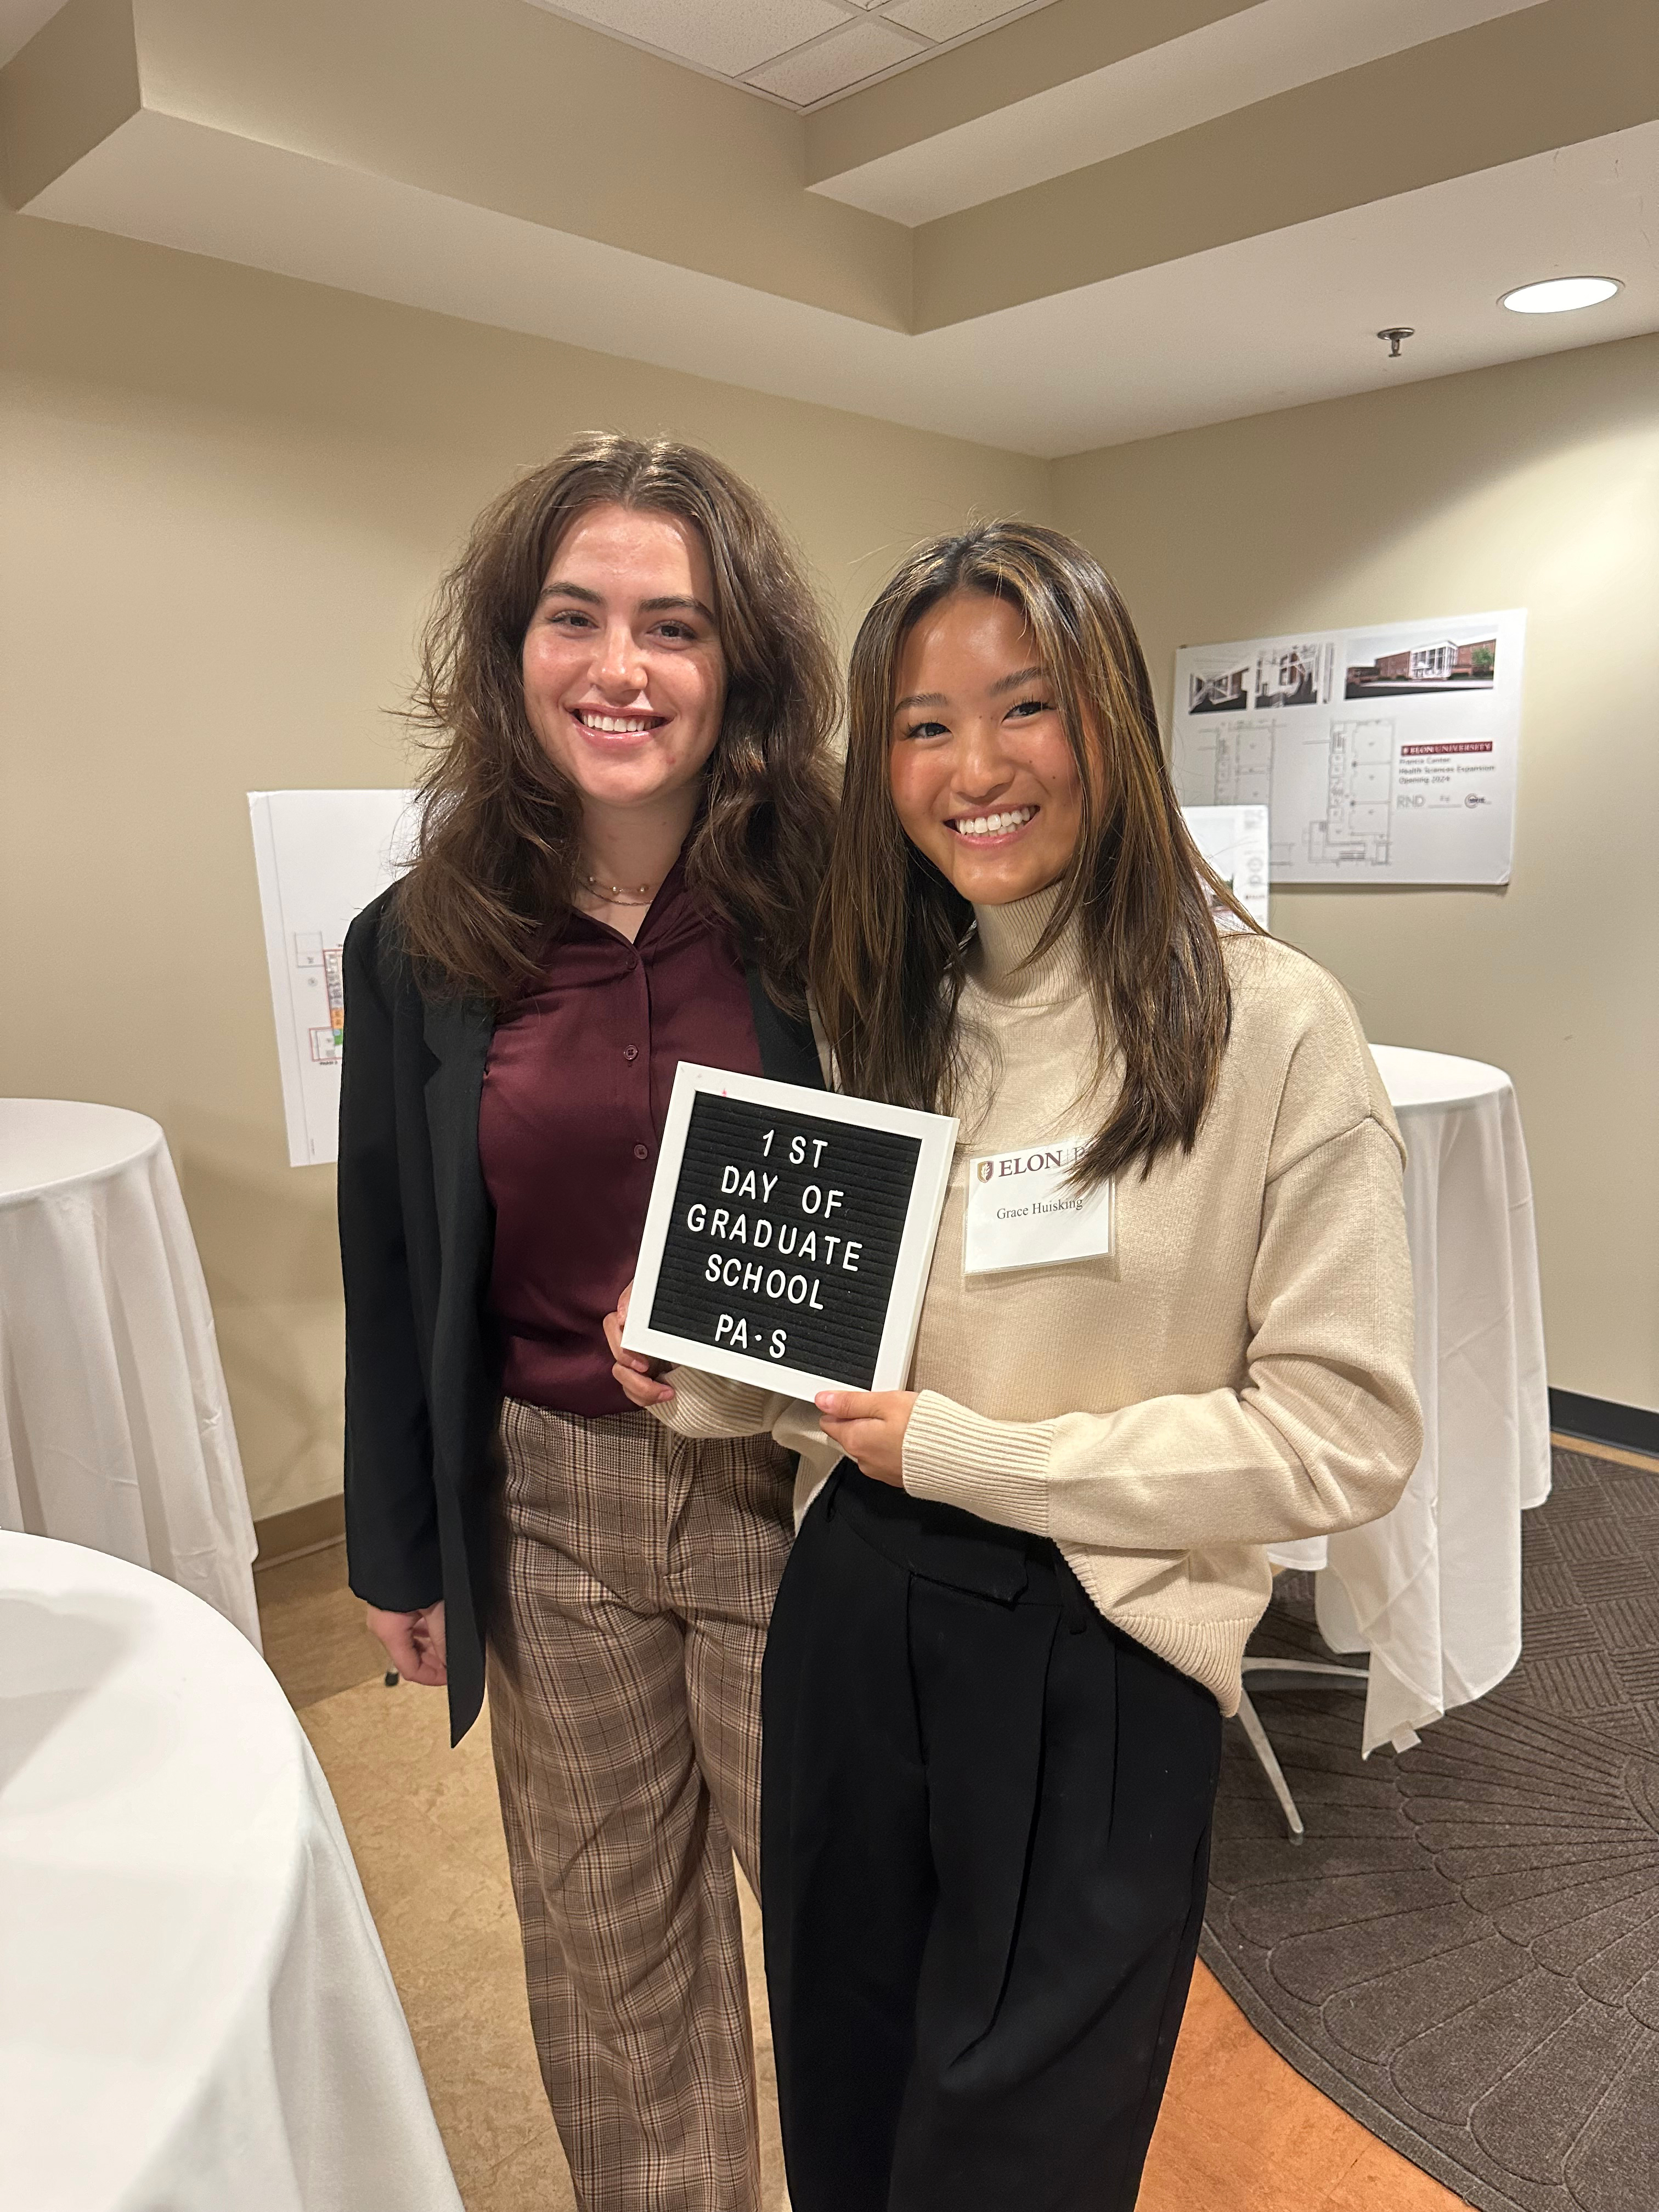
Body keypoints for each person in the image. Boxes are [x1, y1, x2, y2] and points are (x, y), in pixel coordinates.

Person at [608, 521, 1423, 2211]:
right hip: (854, 1614)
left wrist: (983, 1459)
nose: (974, 768)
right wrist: (701, 1363)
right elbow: (854, 1372)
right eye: (921, 725)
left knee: (1020, 2145)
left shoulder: (1271, 1026)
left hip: (1100, 1644)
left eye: (1024, 707)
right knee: (845, 2079)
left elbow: (1344, 1437)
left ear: (1110, 719)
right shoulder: (882, 1006)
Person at [337, 433, 839, 2212]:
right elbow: (392, 1264)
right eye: (577, 617)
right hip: (547, 1506)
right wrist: (400, 1550)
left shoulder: (846, 910)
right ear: (511, 648)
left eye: (674, 627)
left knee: (859, 1939)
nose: (621, 668)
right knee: (614, 1965)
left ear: (740, 671)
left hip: (806, 1498)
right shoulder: (413, 942)